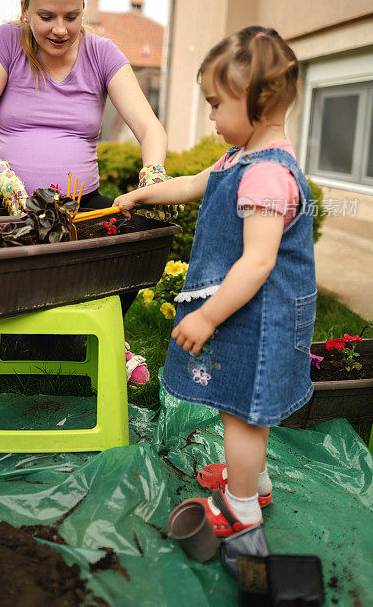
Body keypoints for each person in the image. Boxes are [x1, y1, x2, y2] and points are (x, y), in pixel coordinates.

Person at [0, 0, 177, 387]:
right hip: (5, 202)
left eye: (72, 16)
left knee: (133, 251)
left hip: (80, 206)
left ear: (83, 12)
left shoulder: (102, 53)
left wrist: (154, 171)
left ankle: (106, 335)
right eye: (46, 16)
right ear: (24, 10)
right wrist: (0, 170)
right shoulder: (5, 41)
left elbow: (150, 128)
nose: (60, 29)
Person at [113, 26, 316, 537]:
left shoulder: (267, 175)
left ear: (255, 103)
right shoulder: (239, 159)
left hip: (259, 318)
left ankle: (242, 506)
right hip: (249, 313)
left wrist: (206, 316)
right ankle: (257, 480)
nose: (210, 116)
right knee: (245, 407)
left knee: (243, 415)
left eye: (215, 104)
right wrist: (144, 195)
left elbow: (256, 263)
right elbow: (194, 184)